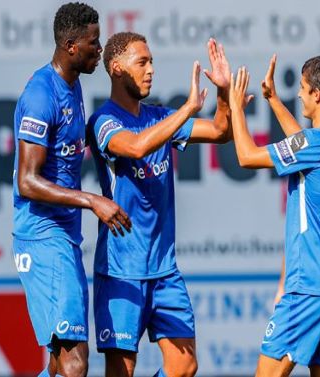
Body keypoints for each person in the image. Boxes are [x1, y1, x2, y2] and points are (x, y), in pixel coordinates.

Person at [87, 32, 231, 377]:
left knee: (184, 365)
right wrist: (186, 110)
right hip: (121, 270)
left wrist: (224, 93)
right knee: (122, 369)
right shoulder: (103, 121)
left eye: (152, 62)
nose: (151, 69)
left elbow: (220, 132)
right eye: (142, 62)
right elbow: (135, 147)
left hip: (165, 270)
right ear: (116, 68)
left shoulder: (159, 117)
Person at [12, 3, 131, 377]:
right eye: (93, 43)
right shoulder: (41, 95)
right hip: (42, 238)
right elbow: (26, 182)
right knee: (75, 364)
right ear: (70, 46)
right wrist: (92, 200)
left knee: (59, 362)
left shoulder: (72, 84)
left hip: (65, 238)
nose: (100, 48)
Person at [229, 54, 320, 376]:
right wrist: (273, 99)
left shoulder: (317, 143)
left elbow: (246, 157)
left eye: (302, 89)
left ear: (317, 95)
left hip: (311, 282)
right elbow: (301, 143)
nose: (298, 94)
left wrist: (234, 107)